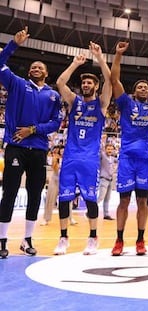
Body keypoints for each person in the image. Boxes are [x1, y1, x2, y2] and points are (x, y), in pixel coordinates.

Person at [0, 27, 62, 258]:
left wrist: (33, 130)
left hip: (38, 150)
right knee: (9, 193)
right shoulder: (16, 83)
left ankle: (27, 240)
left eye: (40, 67)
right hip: (16, 147)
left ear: (46, 73)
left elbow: (56, 123)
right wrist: (13, 45)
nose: (36, 68)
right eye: (33, 66)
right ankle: (2, 239)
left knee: (35, 194)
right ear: (29, 72)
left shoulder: (53, 95)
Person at [110, 41, 148, 256]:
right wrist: (118, 55)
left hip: (145, 160)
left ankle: (140, 239)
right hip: (127, 158)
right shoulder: (126, 103)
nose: (144, 88)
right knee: (124, 201)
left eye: (146, 87)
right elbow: (114, 80)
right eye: (140, 87)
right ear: (134, 92)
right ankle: (119, 240)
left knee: (142, 201)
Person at [53, 41, 111, 255]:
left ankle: (93, 238)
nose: (86, 84)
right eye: (84, 82)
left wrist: (100, 58)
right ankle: (63, 238)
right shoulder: (74, 102)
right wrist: (75, 64)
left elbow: (110, 82)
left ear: (95, 86)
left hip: (89, 159)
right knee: (64, 199)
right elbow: (60, 82)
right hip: (69, 158)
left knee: (90, 200)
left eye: (90, 82)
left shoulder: (102, 105)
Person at [97, 143, 117, 220]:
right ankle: (90, 211)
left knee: (107, 198)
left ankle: (106, 214)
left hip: (110, 180)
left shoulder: (112, 158)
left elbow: (118, 161)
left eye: (111, 149)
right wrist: (102, 142)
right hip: (103, 179)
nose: (110, 151)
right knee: (101, 197)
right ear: (105, 149)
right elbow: (100, 152)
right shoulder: (103, 156)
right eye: (108, 149)